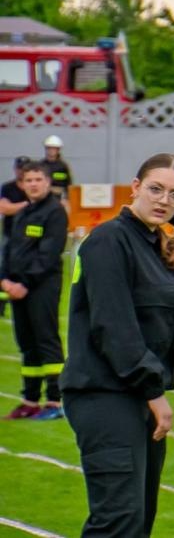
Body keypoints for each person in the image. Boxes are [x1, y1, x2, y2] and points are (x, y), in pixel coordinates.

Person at [62, 153, 174, 536]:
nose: (163, 200)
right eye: (155, 189)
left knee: (139, 520)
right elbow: (113, 327)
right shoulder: (108, 241)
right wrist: (154, 393)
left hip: (137, 396)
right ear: (135, 187)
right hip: (105, 395)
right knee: (118, 522)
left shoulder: (161, 246)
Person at [1, 161, 67, 419]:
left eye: (38, 179)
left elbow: (48, 255)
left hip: (41, 287)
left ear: (48, 182)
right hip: (17, 288)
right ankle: (30, 400)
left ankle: (55, 402)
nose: (33, 184)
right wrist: (4, 279)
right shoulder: (22, 212)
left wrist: (24, 283)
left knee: (46, 340)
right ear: (22, 184)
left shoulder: (55, 212)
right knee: (27, 344)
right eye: (29, 180)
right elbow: (9, 249)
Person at [0, 157, 28, 320]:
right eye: (19, 168)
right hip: (10, 234)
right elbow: (4, 208)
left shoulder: (31, 188)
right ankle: (1, 305)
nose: (21, 171)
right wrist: (25, 205)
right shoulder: (8, 187)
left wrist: (14, 207)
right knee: (4, 268)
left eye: (24, 168)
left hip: (28, 237)